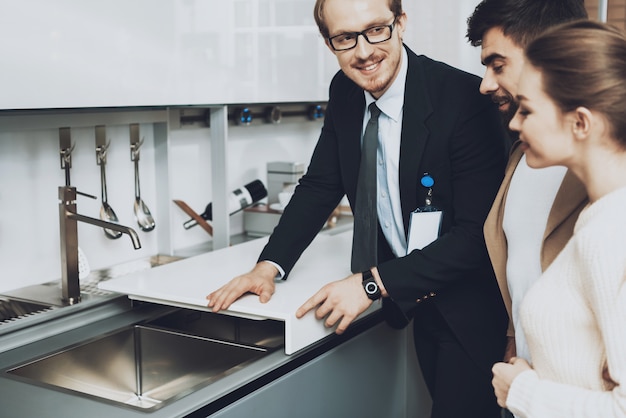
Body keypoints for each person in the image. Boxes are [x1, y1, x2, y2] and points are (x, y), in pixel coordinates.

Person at [208, 0, 508, 416]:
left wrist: (370, 283)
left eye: (376, 30)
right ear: (329, 42)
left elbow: (478, 238)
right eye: (345, 38)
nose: (363, 52)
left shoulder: (463, 99)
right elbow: (320, 185)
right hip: (413, 298)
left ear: (401, 23)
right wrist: (268, 265)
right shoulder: (345, 90)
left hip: (469, 309)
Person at [491, 20, 626, 416]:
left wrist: (523, 392)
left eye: (528, 110)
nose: (515, 122)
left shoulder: (613, 233)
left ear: (580, 122)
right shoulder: (597, 217)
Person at [466, 0, 588, 376]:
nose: (485, 84)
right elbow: (523, 264)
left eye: (498, 65)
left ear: (549, 54)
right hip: (522, 380)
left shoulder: (606, 171)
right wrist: (513, 338)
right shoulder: (521, 152)